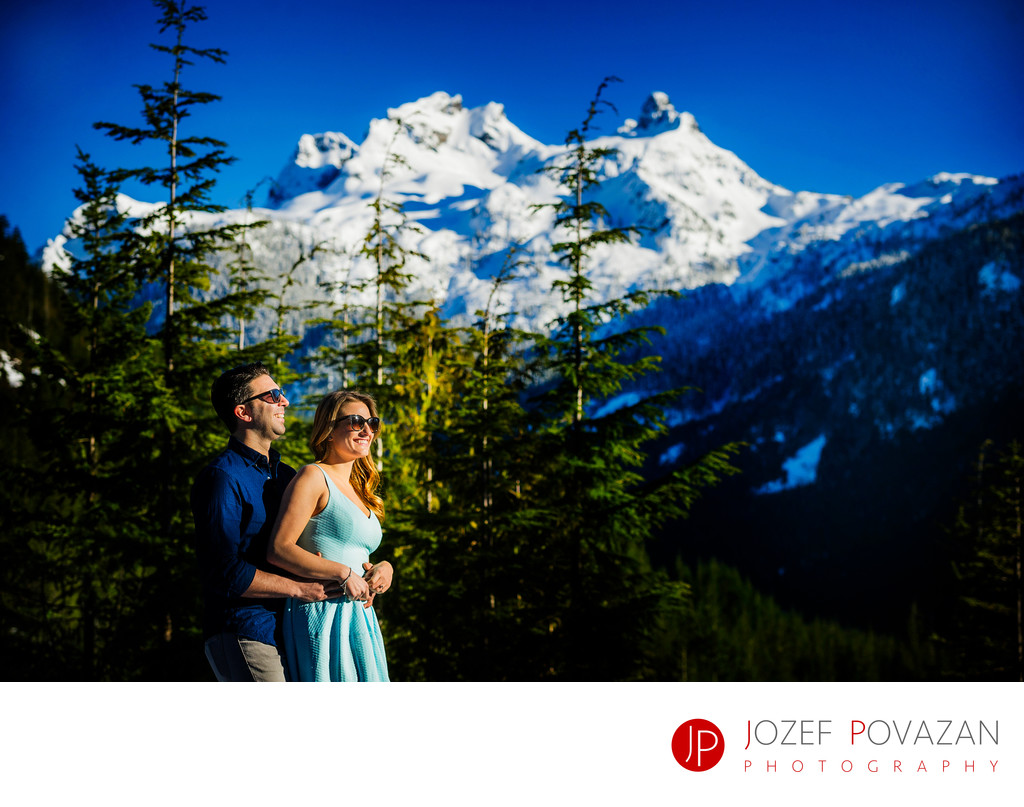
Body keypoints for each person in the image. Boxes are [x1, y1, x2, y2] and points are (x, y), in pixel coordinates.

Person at [191, 362, 342, 682]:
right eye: (272, 395)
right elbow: (224, 572)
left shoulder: (288, 477)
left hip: (290, 628)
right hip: (244, 631)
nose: (284, 401)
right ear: (243, 413)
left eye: (282, 394)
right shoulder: (222, 478)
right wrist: (299, 589)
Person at [267, 389, 393, 682]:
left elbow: (355, 551)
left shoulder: (362, 491)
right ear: (329, 429)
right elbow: (279, 548)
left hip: (359, 615)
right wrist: (343, 573)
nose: (366, 430)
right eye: (355, 421)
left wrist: (383, 568)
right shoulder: (313, 476)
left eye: (372, 423)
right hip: (323, 611)